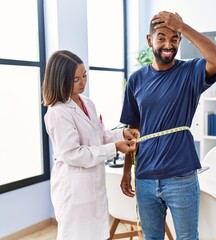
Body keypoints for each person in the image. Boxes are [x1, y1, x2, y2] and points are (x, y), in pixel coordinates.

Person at [120, 11, 216, 239]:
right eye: (161, 38)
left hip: (180, 176)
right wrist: (127, 169)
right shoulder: (136, 80)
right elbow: (132, 130)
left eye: (174, 38)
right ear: (150, 41)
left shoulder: (190, 72)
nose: (168, 45)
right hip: (145, 176)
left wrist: (183, 27)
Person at [42, 50, 139, 240]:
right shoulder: (58, 112)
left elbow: (99, 135)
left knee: (97, 234)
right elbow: (73, 154)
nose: (82, 82)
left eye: (84, 75)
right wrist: (115, 148)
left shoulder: (87, 102)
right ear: (60, 80)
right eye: (75, 79)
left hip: (94, 185)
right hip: (73, 189)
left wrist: (122, 134)